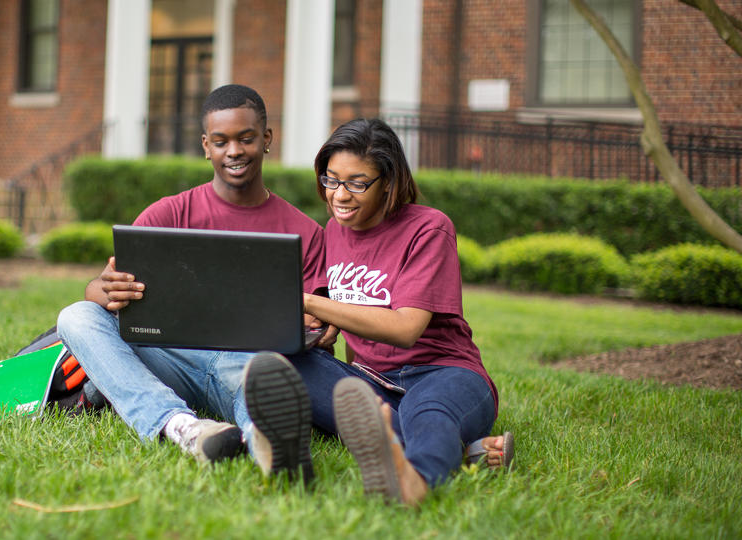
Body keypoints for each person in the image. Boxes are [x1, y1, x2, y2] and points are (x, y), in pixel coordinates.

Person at [56, 84, 333, 479]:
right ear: (206, 146)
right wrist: (104, 288)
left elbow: (319, 321)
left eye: (246, 138)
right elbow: (101, 291)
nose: (233, 151)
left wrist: (316, 326)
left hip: (252, 365)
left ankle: (270, 444)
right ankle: (183, 428)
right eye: (220, 142)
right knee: (76, 316)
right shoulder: (166, 214)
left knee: (266, 384)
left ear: (267, 139)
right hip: (167, 358)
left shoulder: (305, 231)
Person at [266, 117, 512, 506]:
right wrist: (317, 321)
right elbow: (335, 313)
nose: (340, 195)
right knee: (283, 363)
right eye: (331, 180)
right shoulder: (333, 231)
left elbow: (405, 328)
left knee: (429, 411)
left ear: (389, 182)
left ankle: (414, 480)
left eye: (357, 183)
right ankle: (466, 451)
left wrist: (312, 302)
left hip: (442, 372)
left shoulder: (429, 229)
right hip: (371, 379)